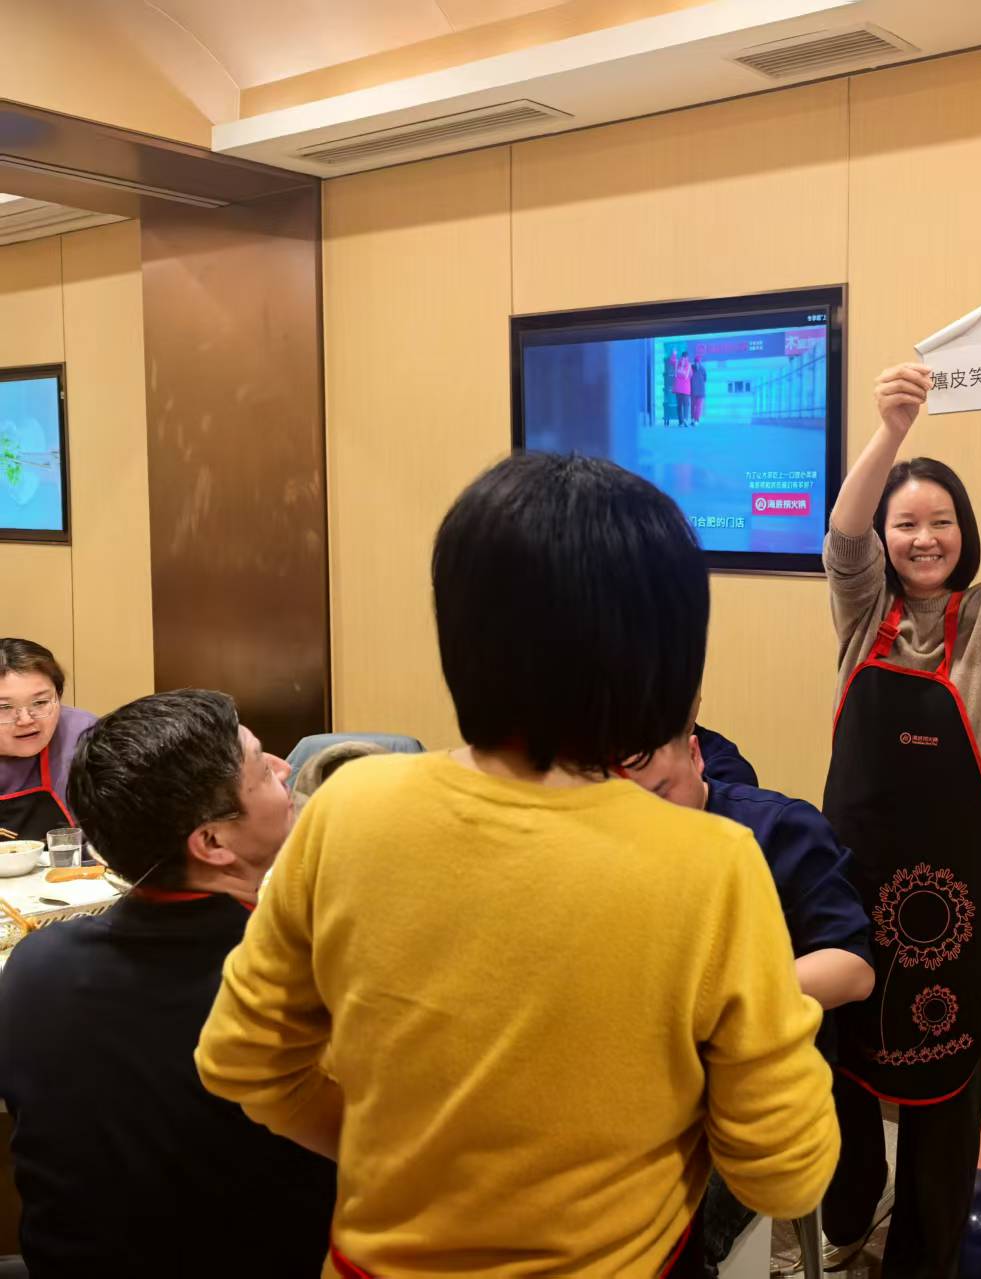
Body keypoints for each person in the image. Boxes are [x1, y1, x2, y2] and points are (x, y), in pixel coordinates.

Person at [196, 453, 838, 1277]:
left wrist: (419, 1161)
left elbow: (242, 1059)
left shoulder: (345, 808)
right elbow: (785, 1172)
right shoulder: (711, 864)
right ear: (666, 660)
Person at [818, 324, 981, 1276]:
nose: (924, 538)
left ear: (964, 534)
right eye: (907, 523)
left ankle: (920, 1260)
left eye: (942, 522)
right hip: (851, 890)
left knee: (948, 1089)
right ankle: (846, 1215)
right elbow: (841, 539)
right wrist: (890, 430)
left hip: (955, 904)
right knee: (842, 1060)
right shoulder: (863, 613)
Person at [0, 689, 335, 1277]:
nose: (285, 769)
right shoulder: (293, 980)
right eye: (262, 769)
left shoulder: (35, 963)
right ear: (212, 843)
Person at [625, 710, 874, 1274]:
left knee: (672, 1232)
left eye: (662, 792)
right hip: (655, 1069)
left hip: (761, 1068)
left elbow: (854, 970)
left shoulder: (778, 830)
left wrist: (726, 992)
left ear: (695, 757)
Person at [0, 638, 96, 845]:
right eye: (4, 707)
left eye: (40, 702)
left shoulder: (84, 736)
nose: (26, 720)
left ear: (58, 696)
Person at [672, 348, 694, 427]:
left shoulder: (677, 363)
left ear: (681, 356)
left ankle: (680, 421)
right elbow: (691, 375)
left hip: (678, 388)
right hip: (686, 389)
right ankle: (685, 420)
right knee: (686, 405)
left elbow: (672, 360)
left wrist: (674, 353)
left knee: (679, 405)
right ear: (687, 357)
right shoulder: (689, 365)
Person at [690, 356, 709, 426]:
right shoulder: (694, 368)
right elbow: (705, 379)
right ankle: (694, 419)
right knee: (695, 406)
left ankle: (695, 419)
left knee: (697, 406)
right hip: (695, 391)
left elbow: (705, 379)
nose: (697, 363)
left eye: (698, 362)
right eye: (696, 362)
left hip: (698, 391)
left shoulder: (700, 369)